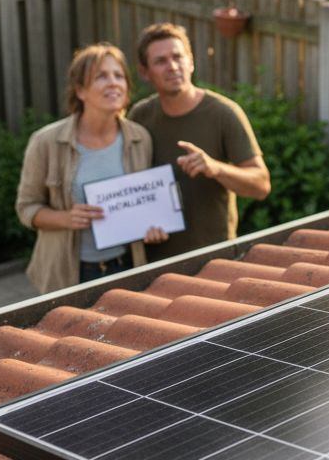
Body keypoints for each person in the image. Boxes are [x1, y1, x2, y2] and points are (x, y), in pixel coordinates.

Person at [16, 43, 168, 294]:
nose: (113, 83)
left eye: (118, 76)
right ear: (80, 91)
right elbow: (26, 208)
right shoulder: (46, 142)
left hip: (127, 265)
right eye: (101, 76)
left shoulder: (140, 138)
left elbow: (143, 202)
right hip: (70, 273)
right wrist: (66, 218)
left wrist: (152, 225)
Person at [129, 23, 270, 260]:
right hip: (155, 261)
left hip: (214, 258)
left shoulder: (224, 113)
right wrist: (141, 223)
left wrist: (216, 168)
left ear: (191, 62)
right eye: (161, 61)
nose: (173, 66)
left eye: (178, 57)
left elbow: (261, 185)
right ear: (145, 72)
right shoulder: (139, 116)